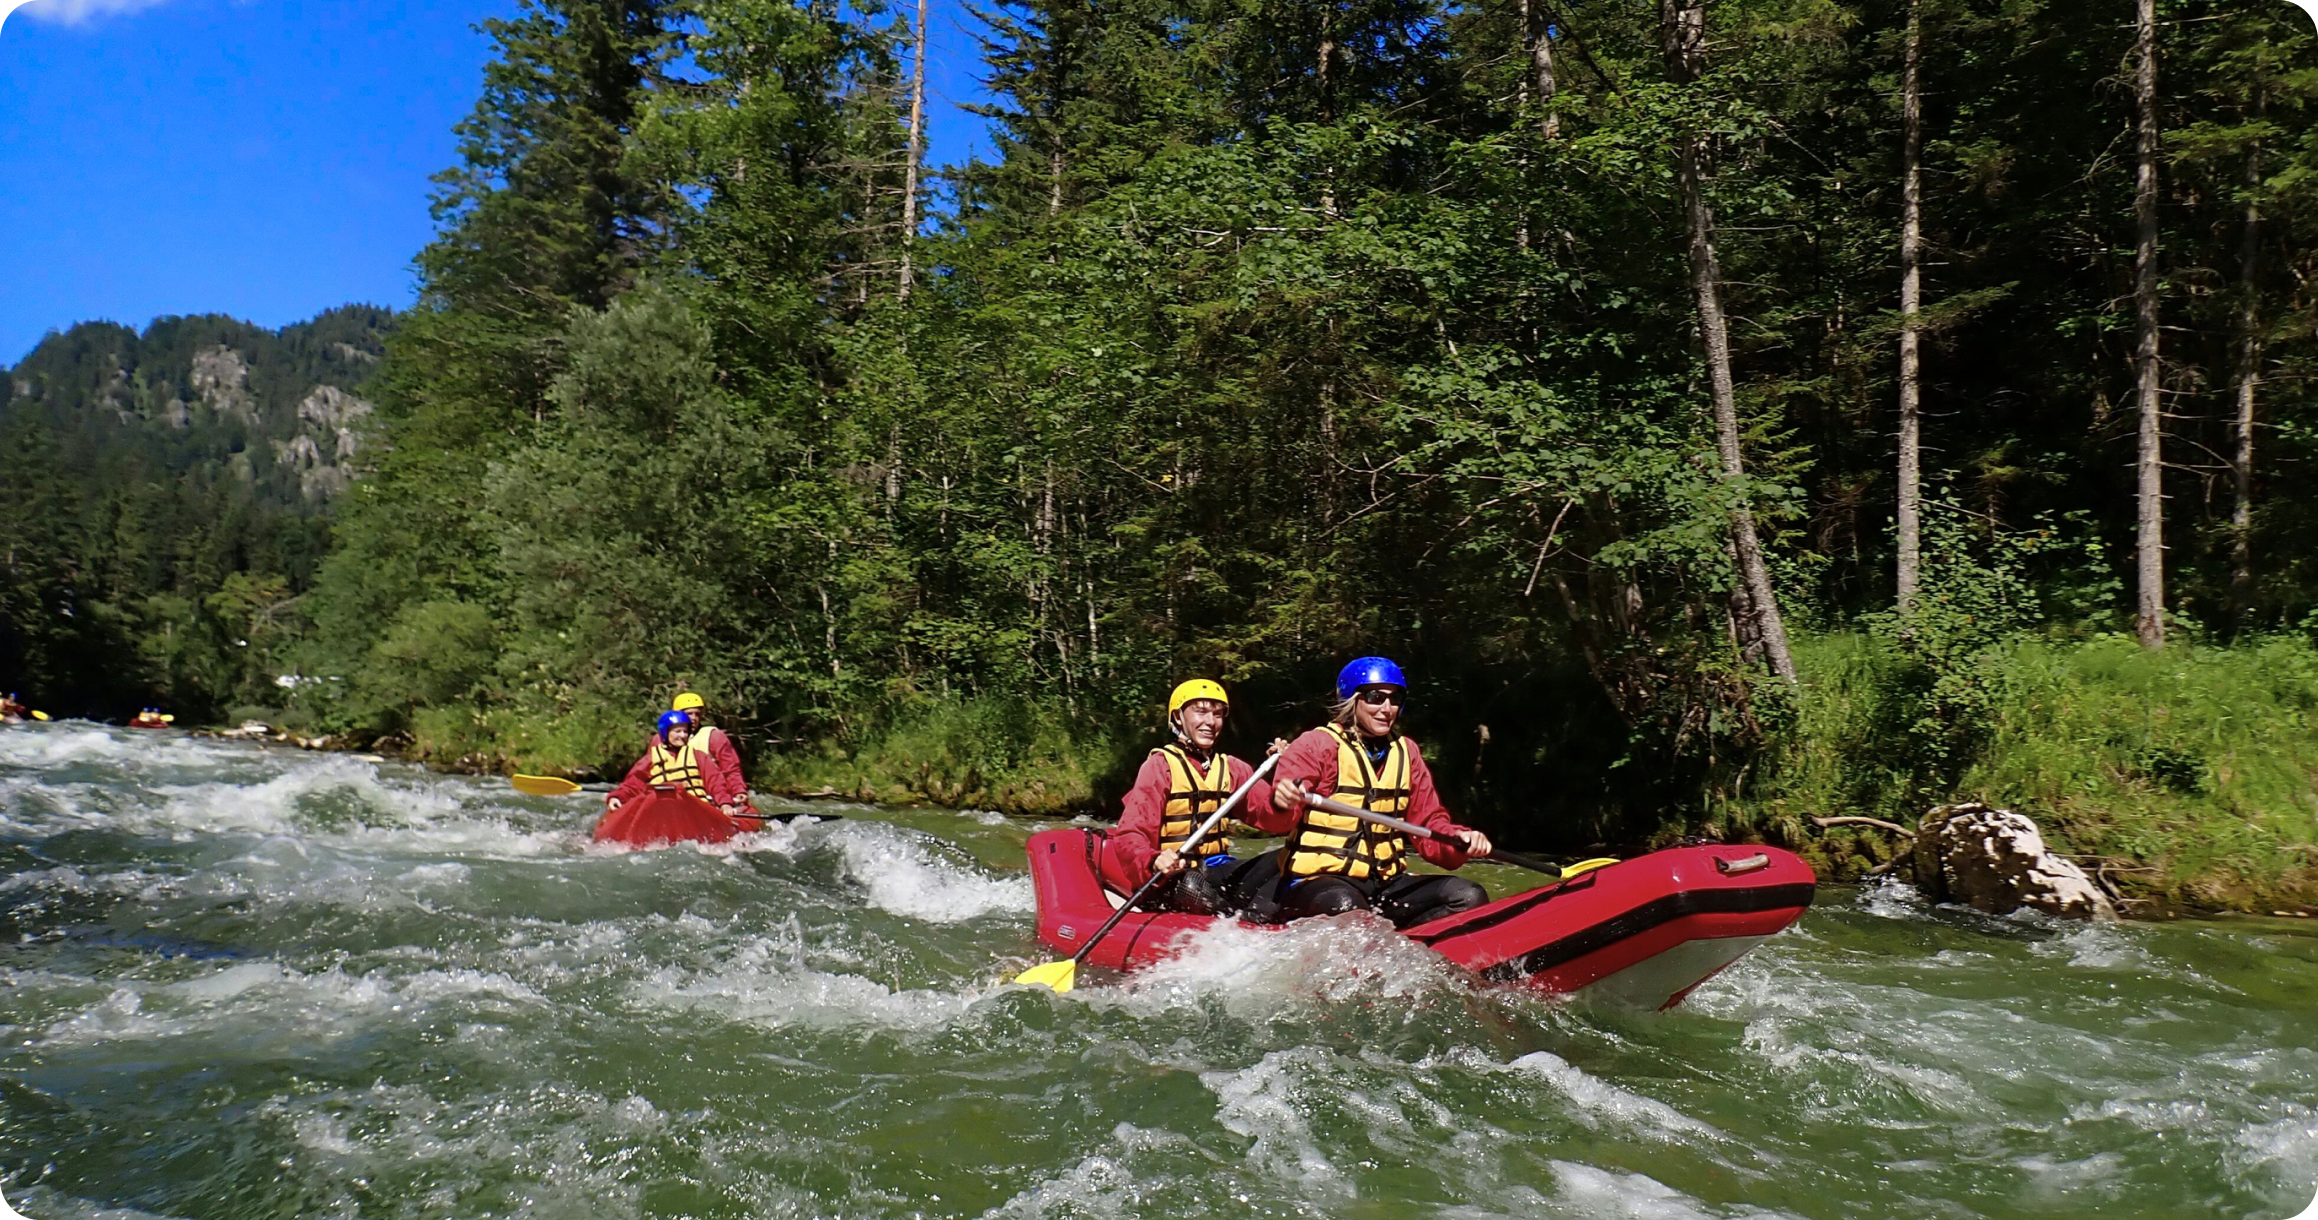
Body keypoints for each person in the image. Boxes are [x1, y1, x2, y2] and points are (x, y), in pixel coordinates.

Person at [1248, 656, 1495, 929]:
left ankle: (1417, 954)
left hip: (1384, 884)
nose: (1387, 708)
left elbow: (1429, 825)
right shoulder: (1316, 745)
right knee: (1347, 906)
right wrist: (1282, 802)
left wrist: (1458, 839)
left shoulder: (1407, 752)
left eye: (1395, 698)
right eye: (1376, 697)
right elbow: (1274, 821)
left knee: (1468, 896)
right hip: (1316, 884)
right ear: (1352, 700)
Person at [1098, 679, 1275, 915]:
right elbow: (1130, 834)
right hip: (1172, 879)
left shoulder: (1233, 768)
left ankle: (1257, 917)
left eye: (1218, 714)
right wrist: (1153, 860)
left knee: (1280, 861)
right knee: (1191, 885)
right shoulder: (1159, 767)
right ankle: (1235, 920)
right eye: (1200, 712)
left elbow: (1273, 817)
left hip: (1217, 870)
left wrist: (1286, 781)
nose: (1210, 722)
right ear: (1179, 718)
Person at [606, 710, 752, 822]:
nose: (682, 735)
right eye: (677, 731)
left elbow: (716, 783)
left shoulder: (698, 756)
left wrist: (725, 804)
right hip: (660, 811)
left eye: (685, 731)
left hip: (695, 810)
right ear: (666, 733)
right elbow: (633, 784)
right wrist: (618, 797)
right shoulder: (651, 759)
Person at [671, 692, 751, 809]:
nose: (693, 718)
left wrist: (739, 790)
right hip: (676, 797)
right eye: (689, 714)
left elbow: (730, 769)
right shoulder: (663, 740)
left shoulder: (714, 737)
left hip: (709, 798)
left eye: (697, 714)